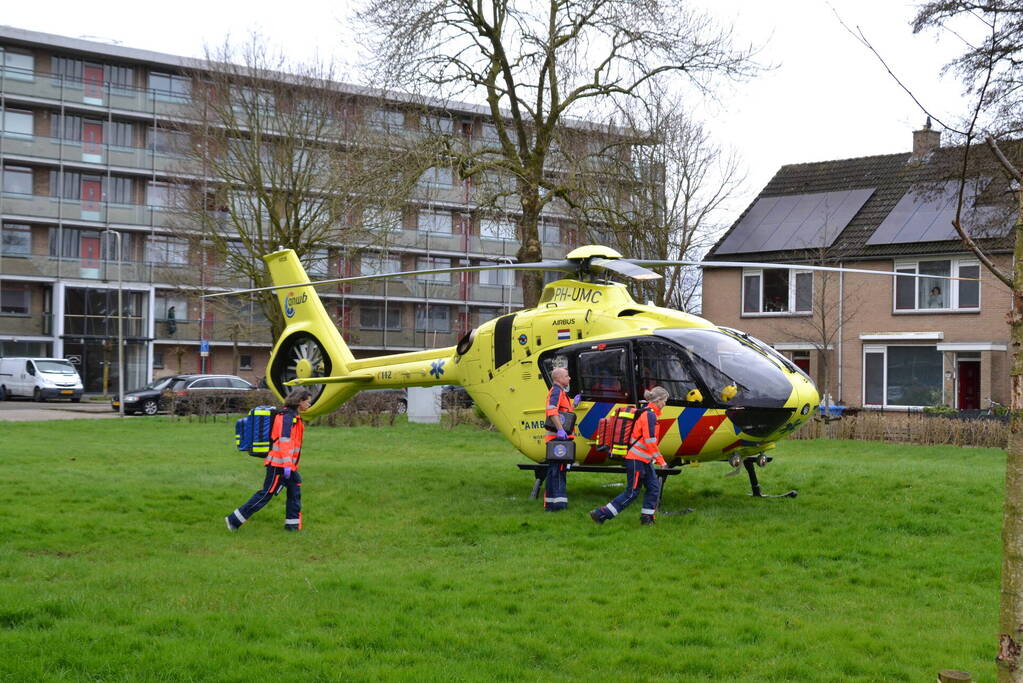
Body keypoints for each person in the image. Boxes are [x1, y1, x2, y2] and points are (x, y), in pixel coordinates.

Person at [226, 389, 312, 531]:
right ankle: (234, 520)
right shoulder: (286, 417)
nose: (310, 404)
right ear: (299, 401)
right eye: (307, 401)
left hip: (286, 465)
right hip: (278, 464)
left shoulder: (294, 416)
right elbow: (284, 441)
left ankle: (292, 526)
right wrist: (287, 465)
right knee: (266, 494)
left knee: (295, 488)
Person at [590, 386, 669, 526]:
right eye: (664, 401)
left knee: (653, 488)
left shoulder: (650, 413)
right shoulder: (649, 415)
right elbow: (649, 440)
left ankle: (647, 519)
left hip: (644, 459)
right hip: (636, 459)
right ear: (658, 400)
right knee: (632, 492)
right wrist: (661, 461)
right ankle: (600, 514)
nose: (665, 404)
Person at [544, 366, 581, 512]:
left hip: (558, 439)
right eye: (566, 376)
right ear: (558, 378)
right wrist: (560, 429)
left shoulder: (561, 393)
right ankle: (558, 506)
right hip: (557, 440)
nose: (569, 378)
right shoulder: (556, 391)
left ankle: (552, 505)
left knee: (556, 471)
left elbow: (563, 413)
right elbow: (552, 411)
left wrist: (574, 405)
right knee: (558, 471)